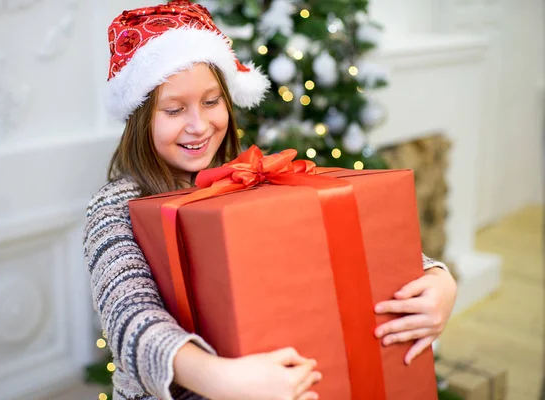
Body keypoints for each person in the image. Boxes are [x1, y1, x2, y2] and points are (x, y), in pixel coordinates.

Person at [83, 2, 458, 399]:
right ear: (140, 118)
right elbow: (129, 317)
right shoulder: (113, 208)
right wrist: (217, 378)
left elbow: (336, 248)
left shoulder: (251, 175)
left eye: (211, 102)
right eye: (174, 109)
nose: (199, 125)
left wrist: (435, 277)